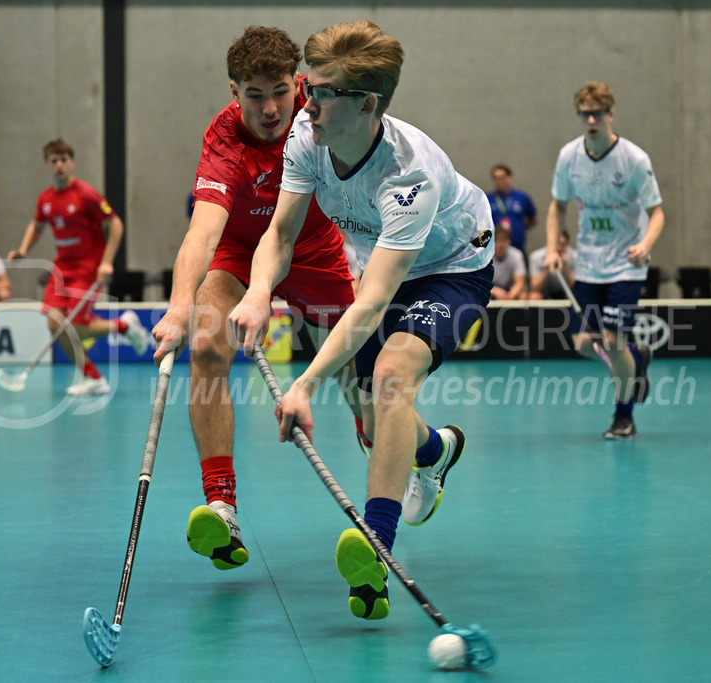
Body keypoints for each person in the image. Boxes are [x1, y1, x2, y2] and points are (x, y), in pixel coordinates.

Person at [228, 21, 496, 621]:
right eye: (308, 84)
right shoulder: (307, 131)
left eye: (321, 91)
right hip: (375, 261)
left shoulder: (410, 175)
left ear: (366, 104)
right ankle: (435, 450)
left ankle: (376, 546)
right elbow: (282, 232)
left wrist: (302, 386)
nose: (305, 100)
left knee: (394, 375)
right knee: (379, 426)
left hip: (450, 266)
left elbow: (371, 303)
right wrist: (259, 291)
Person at [150, 26, 360, 573]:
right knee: (207, 344)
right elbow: (202, 233)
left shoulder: (322, 118)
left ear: (301, 83)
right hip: (241, 252)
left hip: (315, 249)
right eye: (254, 94)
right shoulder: (224, 138)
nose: (269, 108)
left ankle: (409, 452)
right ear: (234, 90)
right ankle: (222, 506)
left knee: (363, 376)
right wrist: (178, 305)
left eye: (280, 92)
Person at [544, 81, 664, 439]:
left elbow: (657, 213)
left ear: (610, 115)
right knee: (583, 344)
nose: (591, 119)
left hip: (626, 265)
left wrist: (644, 244)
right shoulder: (570, 157)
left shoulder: (634, 159)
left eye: (597, 113)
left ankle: (623, 416)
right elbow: (557, 206)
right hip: (589, 266)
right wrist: (552, 248)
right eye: (585, 114)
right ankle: (636, 357)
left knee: (611, 341)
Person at [8, 138, 149, 396]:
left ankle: (124, 326)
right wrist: (23, 250)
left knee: (74, 326)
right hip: (61, 268)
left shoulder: (86, 194)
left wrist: (106, 262)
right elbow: (36, 225)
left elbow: (115, 224)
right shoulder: (46, 199)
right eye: (54, 161)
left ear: (71, 163)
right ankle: (93, 378)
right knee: (54, 324)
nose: (59, 165)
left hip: (87, 269)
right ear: (47, 165)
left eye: (64, 160)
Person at [488, 163, 538, 254]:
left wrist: (520, 228)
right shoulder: (488, 199)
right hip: (494, 251)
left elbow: (534, 219)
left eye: (503, 178)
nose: (500, 181)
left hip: (518, 247)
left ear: (509, 177)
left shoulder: (522, 197)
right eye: (497, 179)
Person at [527, 230, 577, 300]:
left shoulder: (575, 256)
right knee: (534, 296)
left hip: (567, 291)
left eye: (562, 244)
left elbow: (576, 286)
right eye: (556, 244)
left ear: (567, 244)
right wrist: (548, 267)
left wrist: (565, 267)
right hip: (544, 291)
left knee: (578, 295)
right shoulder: (536, 257)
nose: (559, 248)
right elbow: (535, 286)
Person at [490, 226, 526, 300]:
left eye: (503, 240)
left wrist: (509, 296)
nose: (500, 245)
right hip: (492, 290)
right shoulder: (485, 257)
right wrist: (496, 291)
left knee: (523, 296)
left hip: (511, 290)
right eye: (497, 240)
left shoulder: (517, 255)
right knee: (483, 295)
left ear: (509, 242)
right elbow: (482, 282)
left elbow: (519, 283)